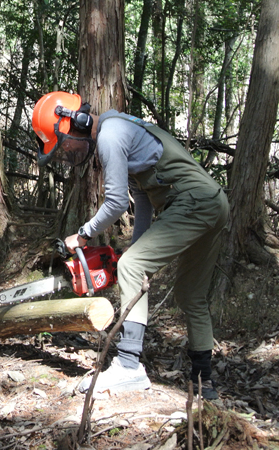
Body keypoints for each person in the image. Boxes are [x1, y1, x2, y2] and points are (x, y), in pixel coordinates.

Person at [31, 91, 229, 399]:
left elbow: (117, 202)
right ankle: (204, 382)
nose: (67, 150)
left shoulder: (111, 135)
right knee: (190, 295)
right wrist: (136, 249)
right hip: (213, 204)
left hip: (193, 202)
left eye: (65, 143)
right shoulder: (122, 129)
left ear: (77, 121)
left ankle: (128, 365)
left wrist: (83, 234)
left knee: (133, 266)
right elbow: (145, 202)